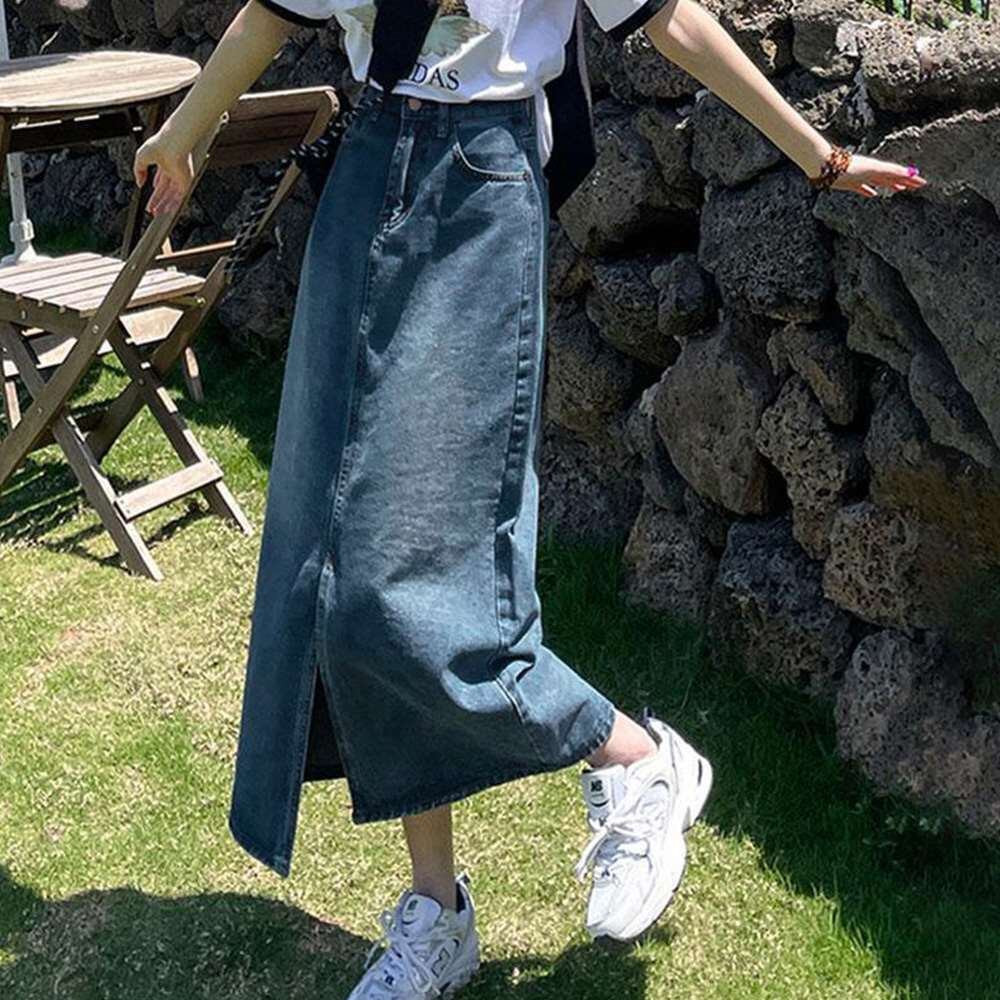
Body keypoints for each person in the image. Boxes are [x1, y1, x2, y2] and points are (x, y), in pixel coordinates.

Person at [134, 1, 927, 996]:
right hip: (368, 169)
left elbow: (671, 20)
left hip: (481, 183)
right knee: (333, 558)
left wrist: (819, 155)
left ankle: (631, 755)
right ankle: (437, 910)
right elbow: (268, 14)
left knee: (413, 572)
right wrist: (182, 132)